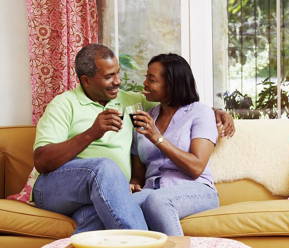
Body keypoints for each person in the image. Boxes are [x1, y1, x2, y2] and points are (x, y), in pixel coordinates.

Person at [32, 44, 234, 234]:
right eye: (109, 76)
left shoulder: (131, 103)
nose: (118, 81)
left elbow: (177, 103)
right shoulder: (63, 104)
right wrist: (91, 133)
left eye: (118, 73)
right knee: (105, 167)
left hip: (107, 193)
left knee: (91, 217)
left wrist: (215, 111)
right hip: (58, 188)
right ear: (86, 80)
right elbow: (42, 161)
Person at [130, 53, 219, 236]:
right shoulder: (147, 117)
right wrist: (133, 183)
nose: (145, 83)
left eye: (151, 79)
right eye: (146, 77)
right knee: (116, 207)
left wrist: (157, 138)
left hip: (195, 189)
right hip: (152, 190)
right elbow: (138, 174)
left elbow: (196, 167)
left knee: (158, 201)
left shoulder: (200, 112)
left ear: (172, 84)